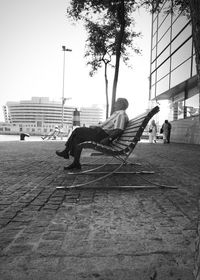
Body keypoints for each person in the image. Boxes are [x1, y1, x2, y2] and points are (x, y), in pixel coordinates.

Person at [56, 98, 129, 170]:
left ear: (121, 104)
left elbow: (119, 130)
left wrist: (108, 139)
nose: (115, 104)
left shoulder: (121, 114)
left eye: (117, 103)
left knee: (77, 130)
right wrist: (97, 126)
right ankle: (76, 162)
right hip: (100, 133)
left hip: (102, 135)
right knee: (77, 138)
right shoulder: (117, 114)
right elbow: (110, 127)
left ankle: (66, 152)